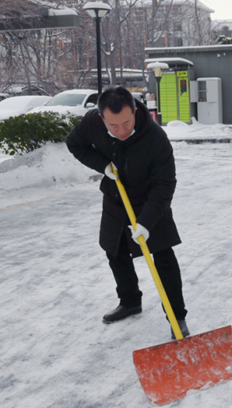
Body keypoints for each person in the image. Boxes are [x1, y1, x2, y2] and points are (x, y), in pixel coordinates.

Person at [66, 86, 189, 339]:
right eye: (113, 126)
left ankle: (177, 317)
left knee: (163, 257)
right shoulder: (92, 123)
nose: (121, 131)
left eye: (126, 123)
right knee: (115, 251)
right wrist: (103, 165)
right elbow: (75, 144)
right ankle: (130, 301)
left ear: (135, 111)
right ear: (101, 119)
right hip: (116, 198)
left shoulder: (155, 138)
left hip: (151, 203)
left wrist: (145, 222)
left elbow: (165, 185)